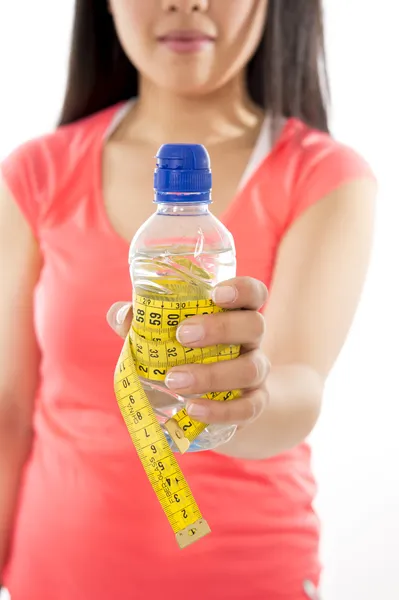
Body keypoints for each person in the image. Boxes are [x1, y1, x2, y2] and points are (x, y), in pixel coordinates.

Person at [0, 0, 376, 599]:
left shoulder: (323, 175)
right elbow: (9, 410)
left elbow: (301, 384)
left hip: (248, 578)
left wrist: (241, 401)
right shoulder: (35, 173)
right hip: (53, 576)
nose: (187, 3)